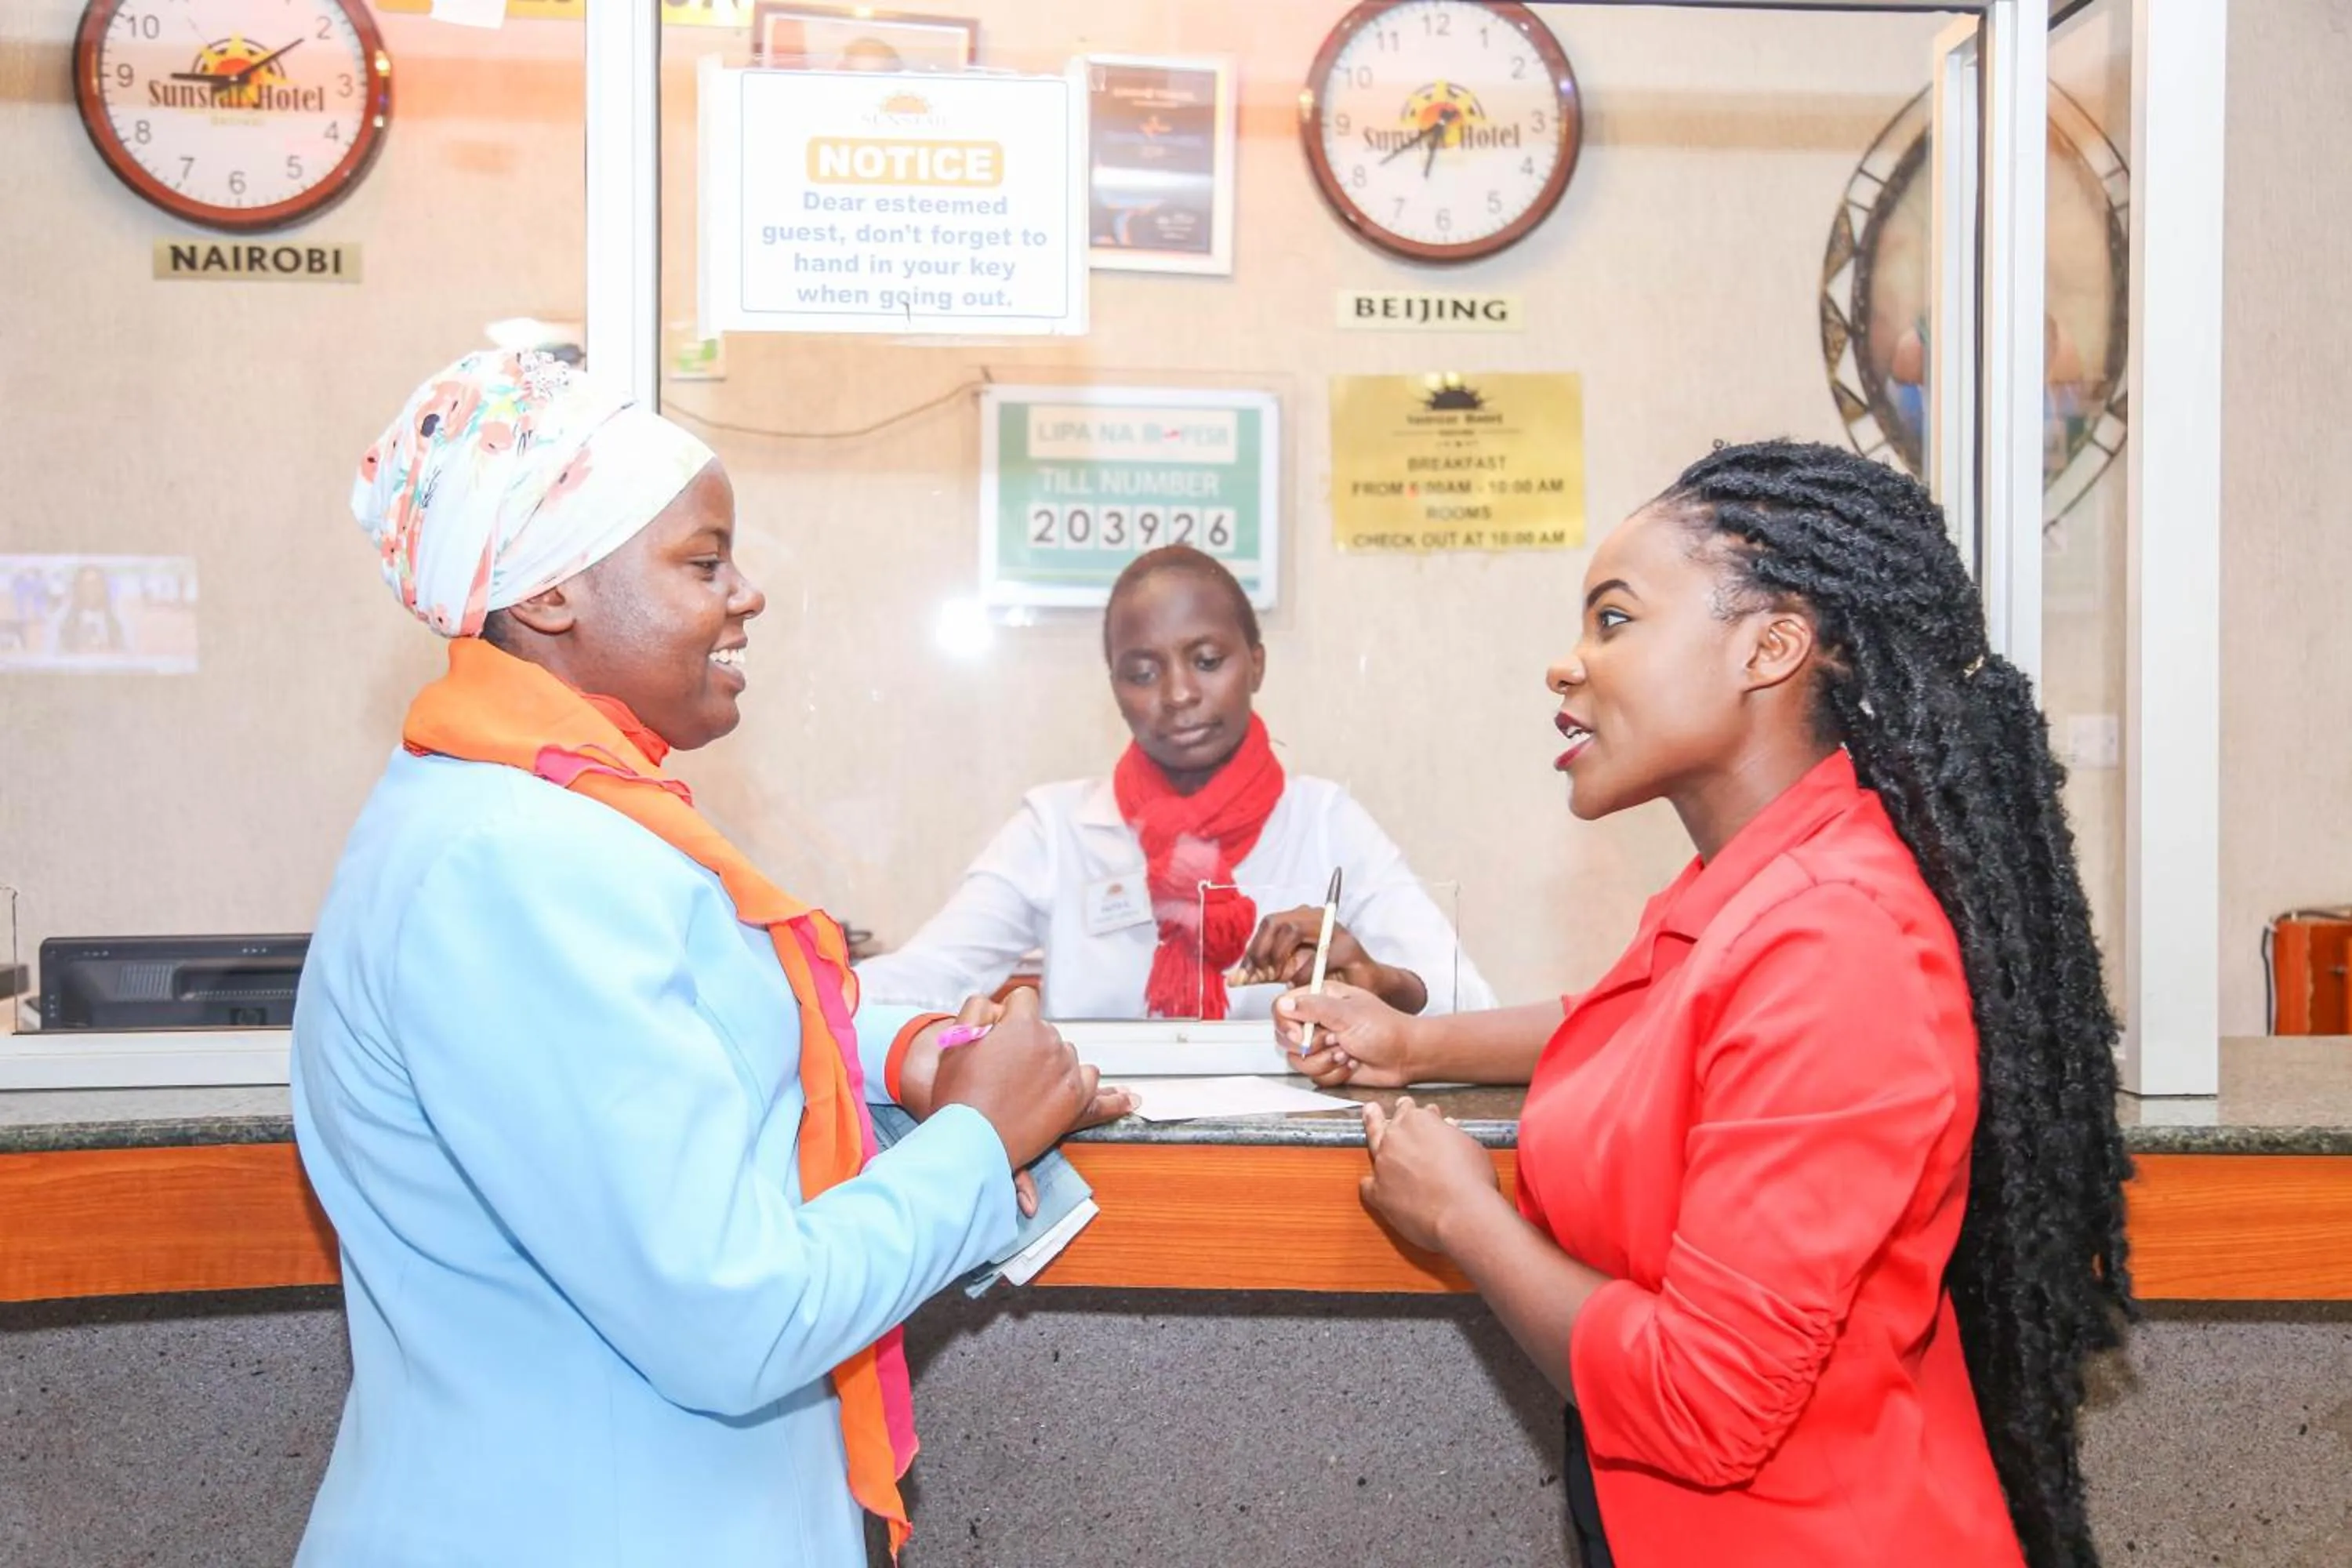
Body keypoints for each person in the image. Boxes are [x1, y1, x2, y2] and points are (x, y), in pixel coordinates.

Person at [293, 350, 1129, 1566]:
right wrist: (975, 1142)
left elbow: (707, 1029)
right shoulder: (516, 863)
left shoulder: (548, 815)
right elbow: (734, 1311)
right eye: (703, 562)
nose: (749, 596)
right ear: (553, 595)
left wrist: (913, 1056)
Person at [1278, 441, 2132, 1567]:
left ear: (1770, 648)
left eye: (1615, 619)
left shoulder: (1836, 938)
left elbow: (1703, 1401)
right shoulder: (1762, 883)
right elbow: (1647, 1024)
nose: (1567, 665)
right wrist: (1414, 1043)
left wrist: (1463, 1216)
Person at [856, 545, 1496, 1021]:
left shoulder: (1324, 820)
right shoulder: (1056, 828)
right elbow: (935, 970)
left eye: (1208, 661)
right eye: (1142, 672)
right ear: (1114, 688)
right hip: (1097, 1138)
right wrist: (819, 990)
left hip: (1284, 1143)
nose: (1179, 693)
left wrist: (1380, 981)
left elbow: (1468, 999)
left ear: (1256, 664)